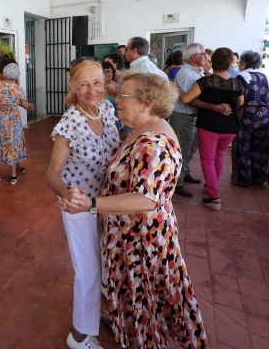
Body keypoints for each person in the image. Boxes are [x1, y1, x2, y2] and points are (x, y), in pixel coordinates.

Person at [59, 71, 208, 349]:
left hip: (142, 239)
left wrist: (91, 204)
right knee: (133, 293)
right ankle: (123, 321)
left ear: (146, 103)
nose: (116, 99)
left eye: (123, 95)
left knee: (145, 298)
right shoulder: (141, 128)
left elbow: (146, 199)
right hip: (129, 235)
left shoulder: (155, 143)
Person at [46, 59, 120, 349]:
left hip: (106, 201)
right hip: (78, 206)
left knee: (105, 263)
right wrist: (67, 194)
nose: (92, 90)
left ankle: (105, 313)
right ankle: (79, 336)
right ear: (74, 88)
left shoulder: (108, 108)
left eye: (97, 82)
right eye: (84, 84)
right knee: (88, 271)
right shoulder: (69, 123)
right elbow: (51, 174)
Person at [179, 47, 244, 210]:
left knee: (207, 160)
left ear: (212, 62)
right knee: (219, 156)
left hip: (208, 126)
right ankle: (211, 185)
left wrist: (178, 89)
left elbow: (186, 98)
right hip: (230, 127)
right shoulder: (237, 83)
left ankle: (214, 197)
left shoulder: (205, 81)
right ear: (230, 63)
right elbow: (241, 103)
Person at [0, 63, 34, 184]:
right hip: (13, 121)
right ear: (16, 76)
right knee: (13, 144)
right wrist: (27, 106)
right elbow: (22, 103)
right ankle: (13, 175)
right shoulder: (18, 89)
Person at [234, 50, 269, 187]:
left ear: (244, 64)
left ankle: (246, 180)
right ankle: (260, 177)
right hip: (267, 115)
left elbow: (238, 98)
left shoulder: (242, 76)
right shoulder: (267, 76)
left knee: (243, 145)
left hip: (248, 114)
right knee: (262, 146)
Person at [170, 43, 205, 197]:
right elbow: (187, 99)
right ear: (194, 57)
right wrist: (211, 106)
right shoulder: (186, 73)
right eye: (203, 54)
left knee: (191, 148)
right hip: (184, 116)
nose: (206, 57)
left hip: (193, 116)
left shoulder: (197, 72)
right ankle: (177, 183)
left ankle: (185, 172)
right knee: (183, 151)